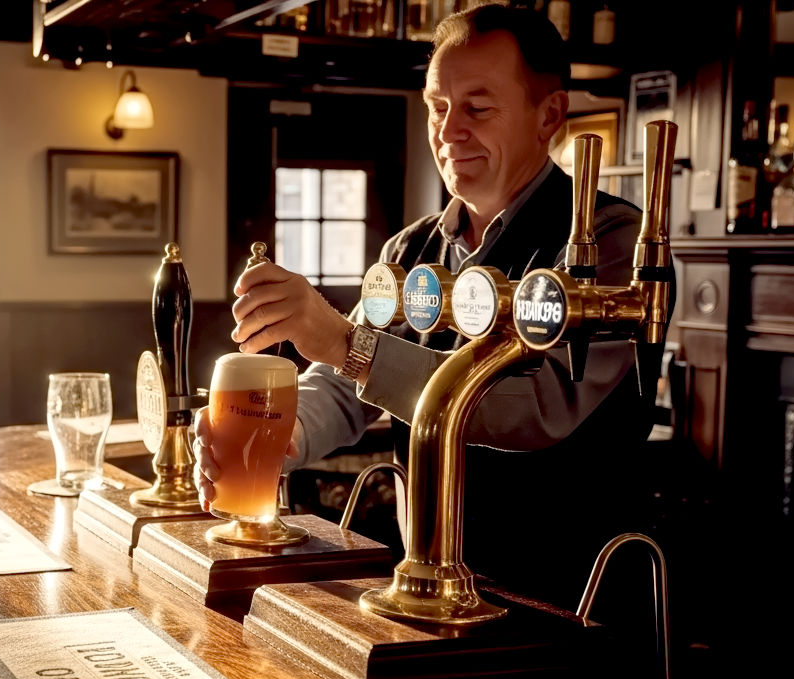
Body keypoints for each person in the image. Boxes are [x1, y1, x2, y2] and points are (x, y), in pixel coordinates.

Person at [194, 4, 662, 608]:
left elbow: (540, 410)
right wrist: (279, 435)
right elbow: (344, 388)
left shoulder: (611, 242)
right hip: (424, 581)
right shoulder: (410, 248)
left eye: (478, 107)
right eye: (437, 107)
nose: (448, 131)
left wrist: (342, 340)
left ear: (550, 115)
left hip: (568, 592)